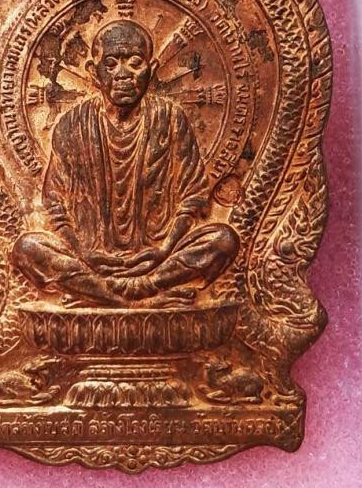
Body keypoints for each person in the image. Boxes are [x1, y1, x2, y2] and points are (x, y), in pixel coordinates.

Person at [13, 19, 238, 306]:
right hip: (90, 259)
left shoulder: (170, 119)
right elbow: (55, 204)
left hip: (159, 259)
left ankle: (113, 293)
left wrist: (165, 249)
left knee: (223, 240)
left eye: (134, 63)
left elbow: (193, 197)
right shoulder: (71, 124)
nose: (122, 74)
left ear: (151, 69)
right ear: (94, 72)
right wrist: (83, 252)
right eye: (110, 64)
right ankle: (140, 296)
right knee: (28, 248)